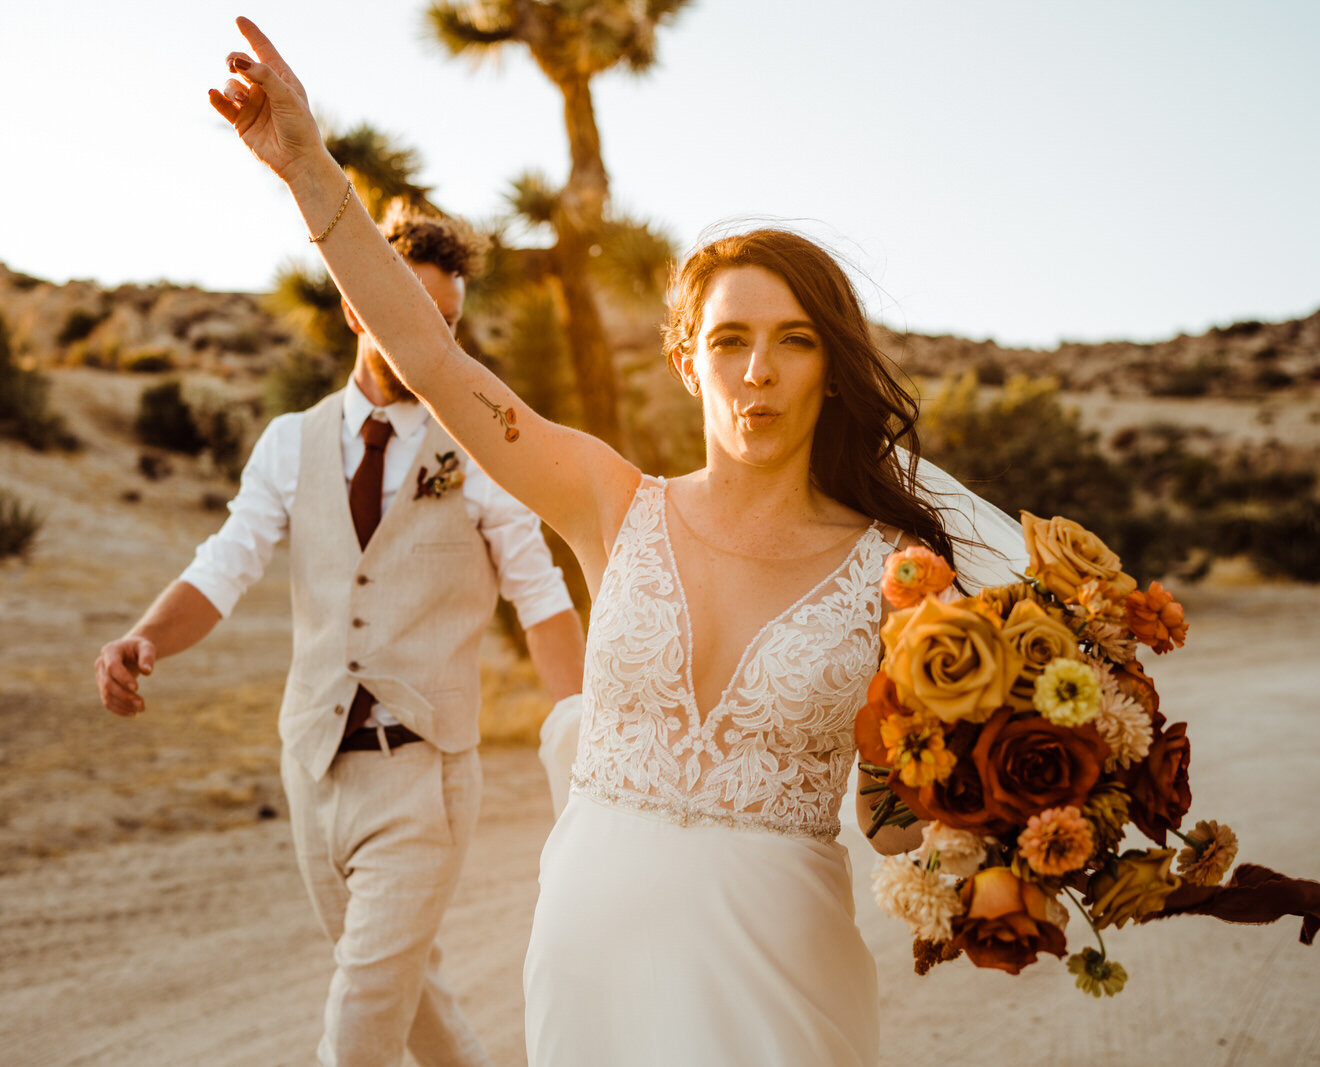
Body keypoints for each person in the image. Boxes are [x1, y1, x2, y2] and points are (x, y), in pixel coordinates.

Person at [207, 18, 1021, 1064]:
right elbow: (429, 355)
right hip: (591, 955)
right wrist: (306, 169)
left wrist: (996, 820)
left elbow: (893, 814)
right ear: (689, 362)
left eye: (794, 340)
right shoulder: (609, 499)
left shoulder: (897, 572)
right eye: (730, 339)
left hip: (779, 970)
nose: (758, 371)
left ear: (830, 364)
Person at [94, 204, 587, 1067]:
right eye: (406, 314)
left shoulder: (477, 452)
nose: (430, 340)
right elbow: (226, 564)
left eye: (447, 325)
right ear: (357, 306)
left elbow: (542, 600)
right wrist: (146, 637)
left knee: (359, 1020)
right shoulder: (291, 443)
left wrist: (592, 733)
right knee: (411, 1001)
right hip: (312, 767)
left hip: (424, 775)